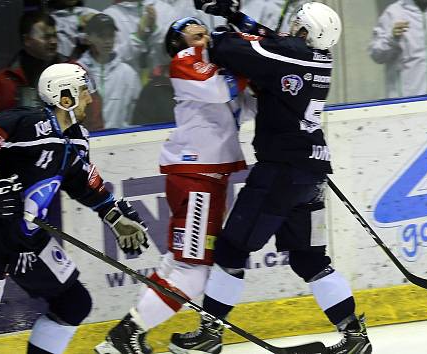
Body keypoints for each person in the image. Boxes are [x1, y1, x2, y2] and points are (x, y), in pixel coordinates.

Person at [167, 2, 372, 354]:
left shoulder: (291, 54)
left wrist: (216, 32)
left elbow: (231, 48)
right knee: (309, 259)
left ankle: (210, 333)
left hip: (280, 171)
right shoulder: (317, 57)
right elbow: (271, 41)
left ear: (307, 32)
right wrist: (234, 15)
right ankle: (354, 335)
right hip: (311, 170)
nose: (291, 28)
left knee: (231, 248)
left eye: (297, 24)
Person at [0, 63, 150, 354]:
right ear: (64, 97)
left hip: (28, 240)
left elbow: (83, 182)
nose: (90, 98)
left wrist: (113, 215)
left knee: (74, 304)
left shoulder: (76, 139)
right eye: (84, 91)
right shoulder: (23, 123)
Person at [94, 17, 250, 354]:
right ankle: (125, 335)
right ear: (177, 42)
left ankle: (125, 338)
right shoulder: (183, 62)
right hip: (198, 178)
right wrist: (251, 58)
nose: (202, 32)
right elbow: (224, 88)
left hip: (207, 179)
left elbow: (245, 103)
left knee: (176, 266)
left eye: (203, 28)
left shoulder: (215, 64)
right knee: (192, 273)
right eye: (192, 30)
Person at [0, 11, 104, 131]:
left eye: (55, 36)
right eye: (46, 37)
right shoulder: (5, 81)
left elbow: (93, 118)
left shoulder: (75, 72)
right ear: (27, 40)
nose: (53, 41)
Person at [77, 14, 142, 129]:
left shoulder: (128, 73)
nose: (108, 41)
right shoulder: (77, 72)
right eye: (102, 36)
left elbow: (137, 114)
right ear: (89, 38)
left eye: (111, 36)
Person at [103, 0, 177, 73]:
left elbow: (177, 53)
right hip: (127, 83)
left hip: (166, 82)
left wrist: (156, 31)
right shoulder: (109, 15)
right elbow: (108, 62)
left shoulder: (166, 9)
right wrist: (137, 38)